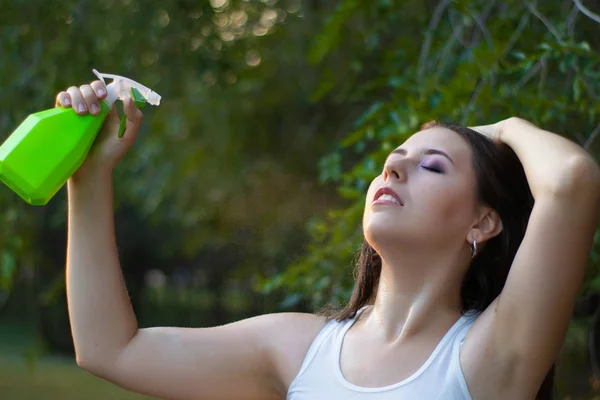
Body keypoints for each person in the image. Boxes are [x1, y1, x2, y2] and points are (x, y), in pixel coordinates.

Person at [58, 79, 600, 400]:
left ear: (482, 222)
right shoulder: (298, 349)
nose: (394, 170)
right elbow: (109, 348)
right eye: (393, 162)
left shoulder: (486, 358)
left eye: (432, 166)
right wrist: (88, 177)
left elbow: (571, 181)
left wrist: (500, 129)